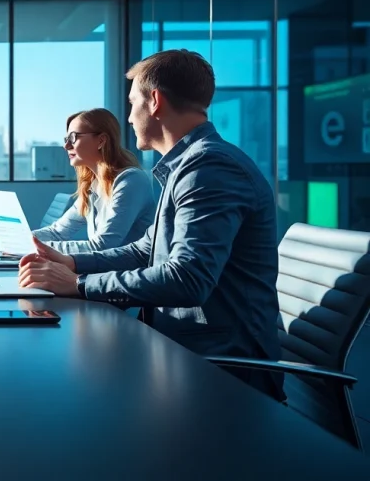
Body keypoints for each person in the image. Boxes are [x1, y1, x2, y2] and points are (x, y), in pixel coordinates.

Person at [18, 49, 284, 401]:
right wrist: (74, 263)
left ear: (155, 101)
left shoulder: (209, 168)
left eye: (132, 104)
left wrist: (79, 285)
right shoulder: (187, 166)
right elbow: (147, 249)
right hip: (183, 345)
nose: (128, 118)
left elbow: (188, 278)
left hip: (223, 370)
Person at [32, 108, 155, 254]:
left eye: (73, 137)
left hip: (127, 274)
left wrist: (35, 247)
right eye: (66, 140)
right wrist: (17, 241)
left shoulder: (131, 181)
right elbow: (57, 232)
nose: (66, 146)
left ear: (101, 140)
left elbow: (104, 246)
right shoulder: (93, 186)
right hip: (103, 272)